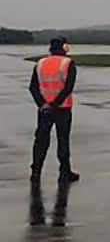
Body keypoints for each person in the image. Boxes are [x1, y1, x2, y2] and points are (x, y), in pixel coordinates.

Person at [29, 37, 80, 183]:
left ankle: (36, 172)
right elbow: (68, 88)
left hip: (44, 110)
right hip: (62, 108)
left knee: (41, 141)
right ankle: (65, 172)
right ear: (64, 47)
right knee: (63, 140)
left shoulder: (40, 63)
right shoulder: (68, 63)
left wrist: (42, 104)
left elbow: (33, 87)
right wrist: (54, 104)